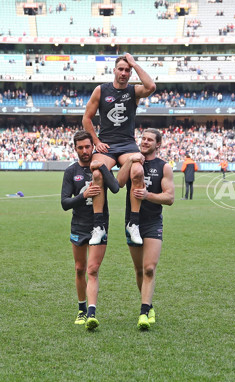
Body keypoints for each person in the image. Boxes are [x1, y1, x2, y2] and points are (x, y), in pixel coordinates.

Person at [82, 53, 156, 246]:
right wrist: (96, 141)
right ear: (114, 70)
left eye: (127, 70)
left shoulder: (134, 91)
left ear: (131, 73)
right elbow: (86, 118)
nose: (123, 73)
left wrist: (134, 63)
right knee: (97, 172)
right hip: (106, 144)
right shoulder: (101, 90)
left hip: (127, 145)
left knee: (138, 170)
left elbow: (151, 87)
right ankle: (99, 226)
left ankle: (133, 223)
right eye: (121, 69)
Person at [61, 131, 119, 330]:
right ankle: (81, 309)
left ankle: (92, 314)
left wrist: (102, 166)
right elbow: (64, 203)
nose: (85, 151)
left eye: (88, 147)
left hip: (99, 225)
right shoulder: (71, 171)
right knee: (79, 268)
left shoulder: (100, 166)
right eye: (81, 148)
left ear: (92, 147)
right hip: (78, 225)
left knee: (92, 270)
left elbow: (116, 188)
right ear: (75, 149)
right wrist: (83, 195)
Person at [117, 128, 174, 330]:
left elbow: (170, 198)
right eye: (143, 138)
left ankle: (144, 311)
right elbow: (118, 183)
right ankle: (148, 304)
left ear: (158, 144)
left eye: (150, 140)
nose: (145, 142)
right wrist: (131, 161)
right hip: (132, 222)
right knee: (139, 269)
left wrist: (148, 195)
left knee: (149, 268)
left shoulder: (164, 167)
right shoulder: (133, 161)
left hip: (152, 222)